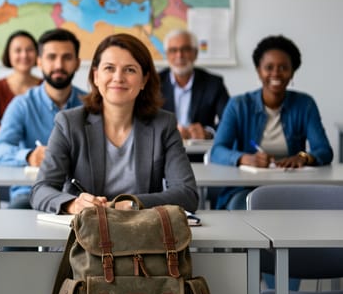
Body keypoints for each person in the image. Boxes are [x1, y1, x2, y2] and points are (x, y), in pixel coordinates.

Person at [31, 33, 199, 214]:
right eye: (109, 68)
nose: (118, 78)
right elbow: (40, 190)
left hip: (143, 235)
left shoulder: (163, 125)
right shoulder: (69, 123)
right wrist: (73, 205)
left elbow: (187, 194)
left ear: (144, 79)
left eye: (130, 70)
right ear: (96, 76)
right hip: (85, 234)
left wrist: (129, 203)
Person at [209, 35, 333, 210]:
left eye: (283, 67)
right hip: (245, 189)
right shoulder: (238, 105)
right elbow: (217, 150)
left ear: (292, 72)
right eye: (269, 67)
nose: (276, 73)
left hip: (292, 187)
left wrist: (304, 157)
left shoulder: (305, 104)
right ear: (259, 71)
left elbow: (324, 150)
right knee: (244, 207)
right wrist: (244, 158)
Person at [0, 28, 85, 209]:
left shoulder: (90, 106)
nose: (59, 65)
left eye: (67, 57)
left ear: (78, 63)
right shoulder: (22, 104)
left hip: (80, 195)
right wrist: (29, 155)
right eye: (51, 57)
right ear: (39, 62)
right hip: (30, 193)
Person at [159, 29, 229, 140]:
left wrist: (208, 133)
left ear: (195, 53)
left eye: (185, 49)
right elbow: (142, 120)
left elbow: (229, 121)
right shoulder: (154, 83)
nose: (179, 55)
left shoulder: (213, 83)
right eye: (173, 50)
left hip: (200, 151)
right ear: (167, 55)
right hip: (163, 150)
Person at [0, 30, 42, 139]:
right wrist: (18, 135)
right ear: (8, 55)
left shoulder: (46, 87)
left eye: (29, 50)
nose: (24, 55)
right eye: (18, 50)